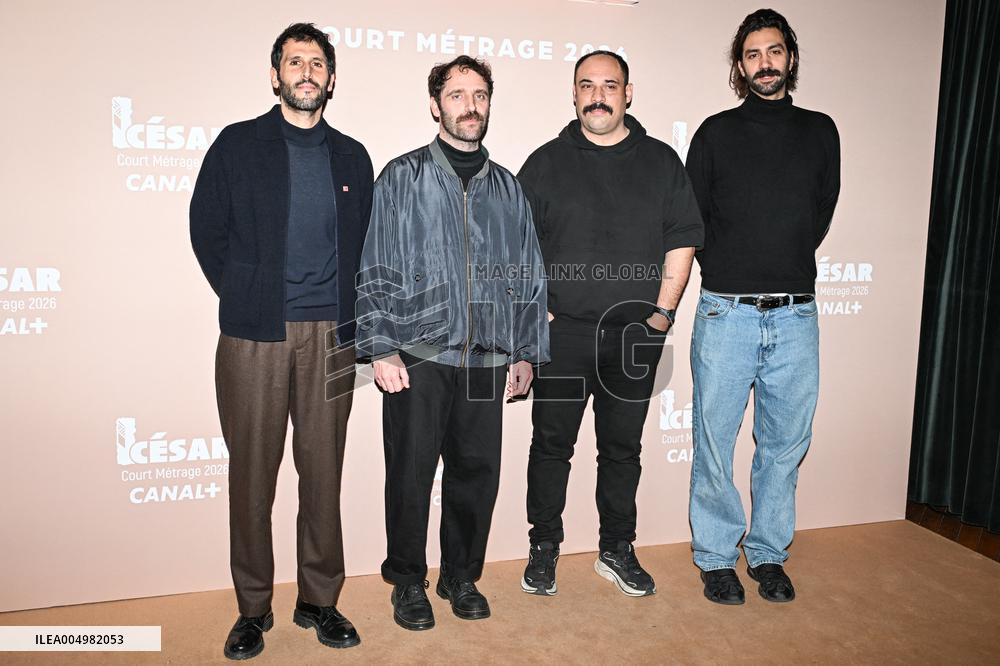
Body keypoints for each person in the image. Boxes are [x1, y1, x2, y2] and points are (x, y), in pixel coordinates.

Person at [190, 22, 373, 659]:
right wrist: (245, 292)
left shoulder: (352, 156)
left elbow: (366, 251)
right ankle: (252, 609)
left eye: (316, 62)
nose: (305, 72)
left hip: (333, 337)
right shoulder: (237, 146)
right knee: (253, 478)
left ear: (330, 78)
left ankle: (319, 602)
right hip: (254, 337)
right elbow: (205, 230)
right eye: (294, 61)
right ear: (276, 76)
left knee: (322, 476)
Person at [355, 55, 549, 630]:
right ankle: (408, 581)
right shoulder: (401, 176)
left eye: (480, 94)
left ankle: (460, 575)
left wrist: (525, 352)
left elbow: (529, 273)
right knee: (410, 474)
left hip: (487, 358)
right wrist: (381, 345)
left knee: (476, 473)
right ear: (436, 104)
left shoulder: (509, 189)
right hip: (417, 356)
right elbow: (374, 263)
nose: (471, 105)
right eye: (458, 94)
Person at [517, 51, 704, 597]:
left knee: (622, 450)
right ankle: (544, 547)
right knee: (551, 448)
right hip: (563, 335)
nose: (598, 95)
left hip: (634, 337)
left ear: (628, 93)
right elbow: (518, 246)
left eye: (609, 85)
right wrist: (539, 312)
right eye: (586, 85)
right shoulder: (545, 163)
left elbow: (682, 239)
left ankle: (616, 549)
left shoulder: (663, 162)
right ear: (574, 95)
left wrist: (662, 315)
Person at [685, 8, 840, 605]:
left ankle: (769, 554)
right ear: (740, 66)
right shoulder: (715, 133)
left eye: (774, 52)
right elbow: (695, 219)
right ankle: (717, 558)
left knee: (784, 444)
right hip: (727, 312)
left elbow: (818, 214)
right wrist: (732, 270)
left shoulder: (821, 130)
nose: (764, 63)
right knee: (714, 440)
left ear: (790, 59)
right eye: (752, 55)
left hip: (797, 314)